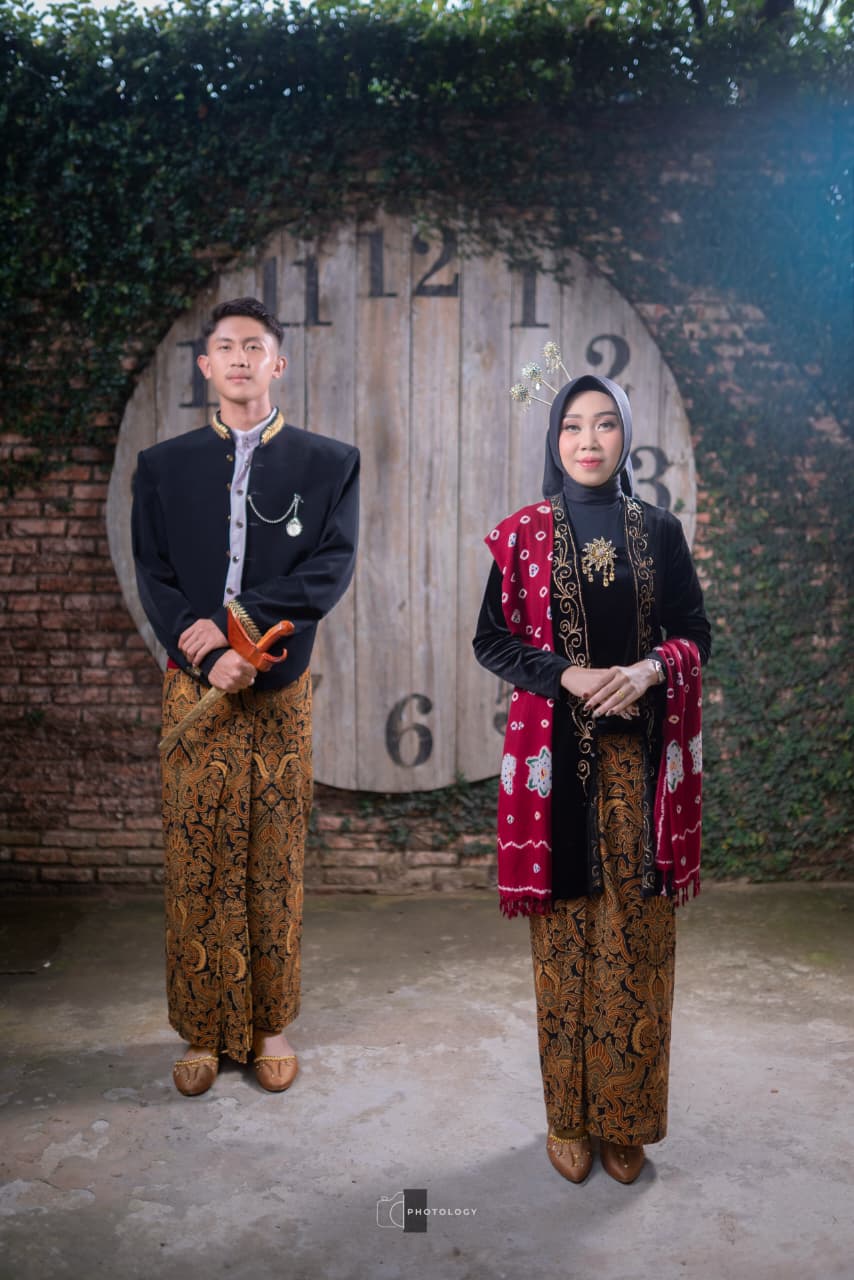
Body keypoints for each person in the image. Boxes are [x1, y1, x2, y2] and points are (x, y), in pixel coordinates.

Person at [473, 370, 710, 1184]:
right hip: (554, 779)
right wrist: (564, 675)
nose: (588, 440)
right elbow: (492, 640)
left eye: (605, 424)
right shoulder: (524, 534)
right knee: (565, 946)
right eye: (573, 425)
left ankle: (626, 1120)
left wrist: (649, 669)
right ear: (555, 439)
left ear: (625, 437)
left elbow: (696, 633)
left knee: (637, 945)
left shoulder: (660, 532)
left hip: (640, 773)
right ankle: (568, 1119)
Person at [132, 297, 359, 1097]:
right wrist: (204, 649)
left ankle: (270, 1025)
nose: (239, 358)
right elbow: (154, 572)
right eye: (225, 347)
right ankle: (202, 1028)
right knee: (196, 856)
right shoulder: (163, 467)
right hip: (194, 688)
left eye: (253, 346)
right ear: (205, 365)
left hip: (276, 687)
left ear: (277, 363)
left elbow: (329, 568)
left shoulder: (330, 463)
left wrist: (243, 631)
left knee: (273, 856)